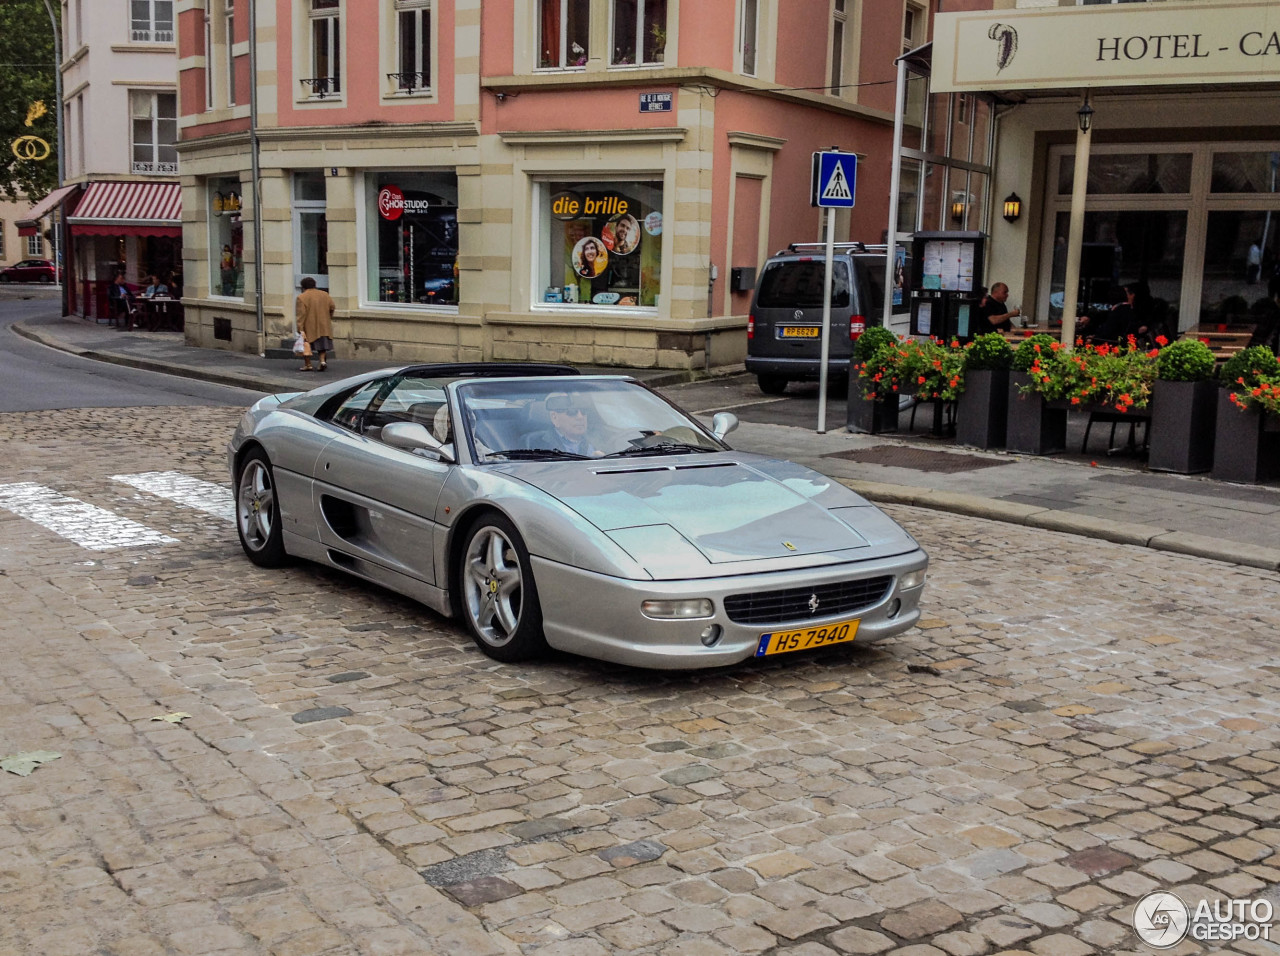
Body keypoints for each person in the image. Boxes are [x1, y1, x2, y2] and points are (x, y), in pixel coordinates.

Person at [525, 392, 598, 456]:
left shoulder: (600, 440)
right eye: (572, 411)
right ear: (554, 418)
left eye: (583, 411)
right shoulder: (534, 445)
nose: (580, 417)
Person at [295, 276, 335, 372]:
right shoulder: (325, 294)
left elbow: (301, 314)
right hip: (324, 325)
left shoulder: (302, 297)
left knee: (306, 345)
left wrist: (300, 328)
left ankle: (308, 364)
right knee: (323, 344)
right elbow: (332, 307)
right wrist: (328, 317)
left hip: (310, 326)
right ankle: (322, 361)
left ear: (303, 287)